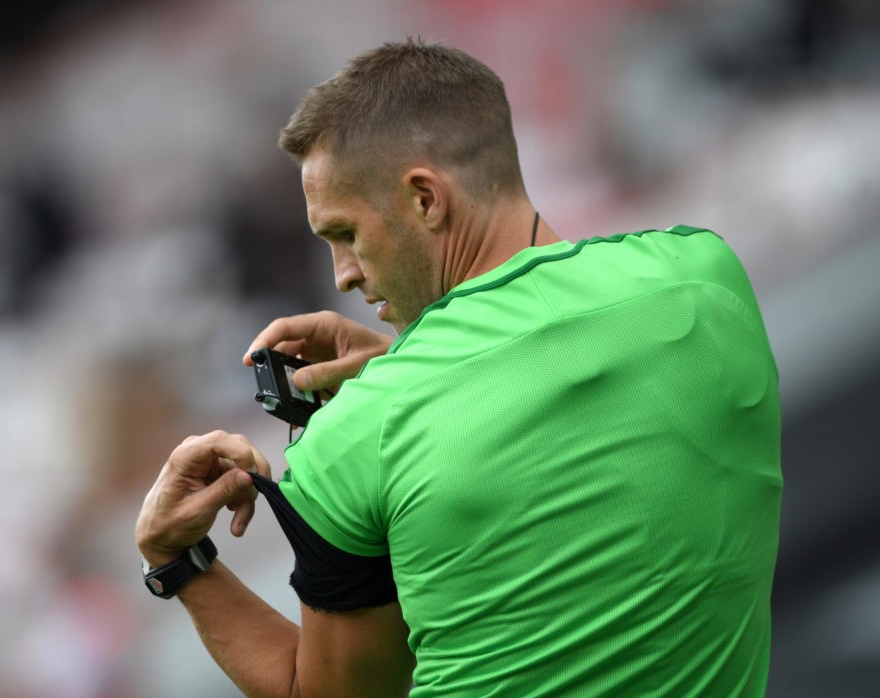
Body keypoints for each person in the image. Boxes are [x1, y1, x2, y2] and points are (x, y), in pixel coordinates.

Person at [136, 38, 782, 697]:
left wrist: (177, 561)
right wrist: (409, 366)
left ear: (425, 199)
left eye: (346, 235)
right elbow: (567, 380)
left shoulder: (358, 438)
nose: (344, 274)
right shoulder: (706, 281)